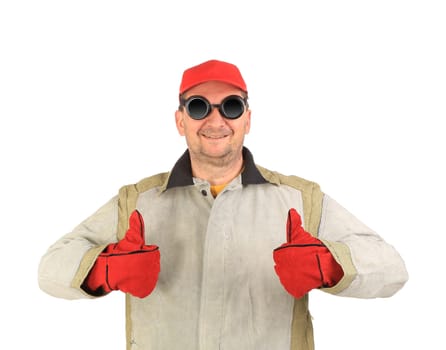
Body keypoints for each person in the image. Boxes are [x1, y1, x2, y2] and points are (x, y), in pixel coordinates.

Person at [38, 59, 408, 350]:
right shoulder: (137, 202)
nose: (216, 120)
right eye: (199, 107)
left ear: (248, 119)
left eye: (231, 106)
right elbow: (49, 268)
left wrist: (330, 265)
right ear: (180, 120)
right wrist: (104, 269)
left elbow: (392, 269)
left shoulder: (299, 199)